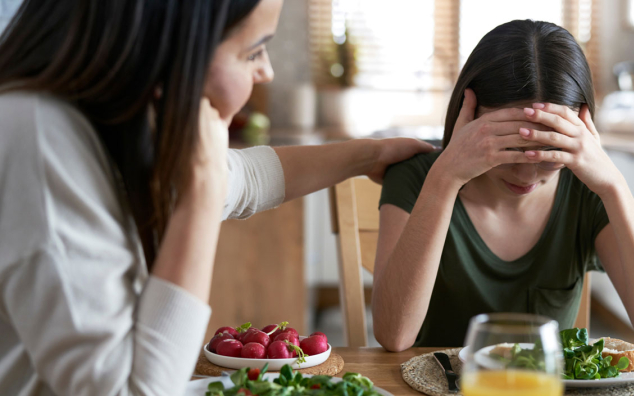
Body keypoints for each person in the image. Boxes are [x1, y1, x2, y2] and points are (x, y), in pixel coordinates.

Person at [0, 0, 432, 394]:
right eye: (252, 51)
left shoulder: (102, 121)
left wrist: (369, 155)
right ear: (171, 49)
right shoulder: (41, 144)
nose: (267, 71)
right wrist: (201, 199)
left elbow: (244, 177)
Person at [372, 20, 634, 353]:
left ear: (581, 129)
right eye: (508, 148)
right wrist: (444, 179)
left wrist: (614, 186)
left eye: (549, 153)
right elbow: (394, 335)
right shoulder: (418, 178)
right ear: (470, 118)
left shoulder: (589, 191)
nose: (526, 174)